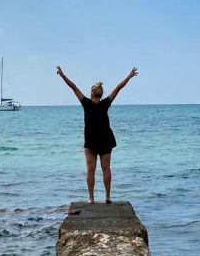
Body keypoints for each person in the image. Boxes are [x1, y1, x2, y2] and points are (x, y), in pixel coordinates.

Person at [56, 66, 138, 204]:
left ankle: (91, 198)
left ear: (91, 93)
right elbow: (118, 88)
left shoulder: (86, 103)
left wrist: (63, 76)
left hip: (91, 140)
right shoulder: (105, 103)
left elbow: (74, 87)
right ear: (101, 94)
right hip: (106, 139)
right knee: (106, 168)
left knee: (90, 169)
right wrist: (129, 77)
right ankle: (107, 196)